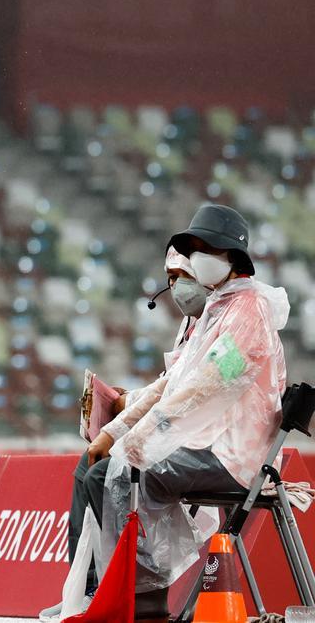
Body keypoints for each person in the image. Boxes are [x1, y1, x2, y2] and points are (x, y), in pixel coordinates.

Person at [74, 204, 287, 618]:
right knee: (101, 467)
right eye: (194, 247)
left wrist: (138, 440)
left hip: (231, 452)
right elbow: (173, 386)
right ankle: (99, 594)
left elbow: (208, 387)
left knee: (118, 475)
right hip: (203, 442)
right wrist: (115, 432)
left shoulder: (248, 312)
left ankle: (139, 603)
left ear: (232, 258)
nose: (198, 256)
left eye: (207, 247)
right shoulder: (216, 310)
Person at [39, 246, 205, 621]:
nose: (176, 288)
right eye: (171, 280)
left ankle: (137, 596)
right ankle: (86, 589)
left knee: (105, 475)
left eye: (183, 278)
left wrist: (128, 423)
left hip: (196, 441)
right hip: (174, 432)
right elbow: (167, 385)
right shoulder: (190, 325)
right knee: (89, 465)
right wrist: (127, 402)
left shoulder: (219, 322)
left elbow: (187, 394)